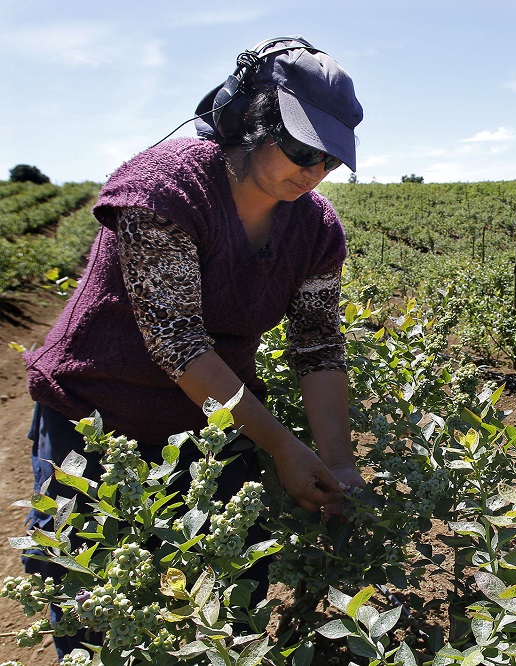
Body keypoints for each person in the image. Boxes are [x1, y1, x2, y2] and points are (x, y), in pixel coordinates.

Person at [21, 35, 365, 658]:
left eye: (329, 158)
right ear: (249, 118)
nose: (313, 171)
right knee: (93, 605)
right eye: (299, 147)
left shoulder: (314, 227)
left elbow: (316, 345)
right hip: (97, 414)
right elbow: (177, 342)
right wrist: (284, 447)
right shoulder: (163, 190)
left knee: (227, 599)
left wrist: (337, 462)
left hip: (210, 424)